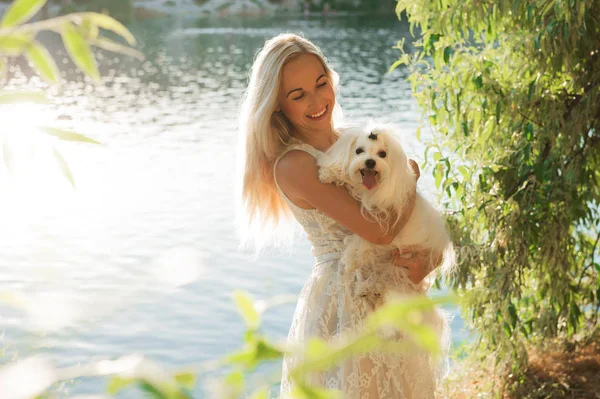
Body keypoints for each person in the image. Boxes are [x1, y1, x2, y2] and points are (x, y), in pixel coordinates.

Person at [235, 33, 445, 399]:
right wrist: (408, 178)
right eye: (298, 95)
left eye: (321, 84)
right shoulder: (294, 164)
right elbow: (378, 230)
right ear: (277, 106)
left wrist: (431, 257)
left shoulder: (358, 142)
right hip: (345, 304)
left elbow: (410, 220)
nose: (317, 101)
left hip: (396, 295)